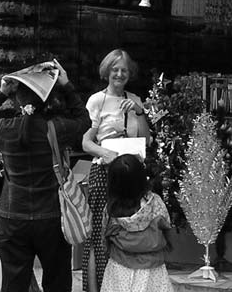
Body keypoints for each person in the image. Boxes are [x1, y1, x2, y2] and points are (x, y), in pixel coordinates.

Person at [0, 58, 90, 292]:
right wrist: (67, 86)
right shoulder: (57, 127)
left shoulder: (5, 129)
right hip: (51, 218)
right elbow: (84, 120)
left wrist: (1, 92)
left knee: (14, 284)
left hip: (13, 217)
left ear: (18, 99)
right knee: (57, 282)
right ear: (48, 99)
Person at [81, 49, 151, 292]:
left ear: (129, 74)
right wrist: (105, 153)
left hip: (131, 176)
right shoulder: (96, 101)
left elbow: (146, 140)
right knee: (100, 234)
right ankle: (95, 287)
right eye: (115, 70)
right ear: (107, 72)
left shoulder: (135, 100)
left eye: (124, 70)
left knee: (126, 230)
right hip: (104, 173)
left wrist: (139, 112)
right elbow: (85, 141)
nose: (119, 74)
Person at [99, 154, 174, 292]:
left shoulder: (110, 210)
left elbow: (105, 239)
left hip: (119, 269)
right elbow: (167, 227)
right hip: (153, 270)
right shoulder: (155, 203)